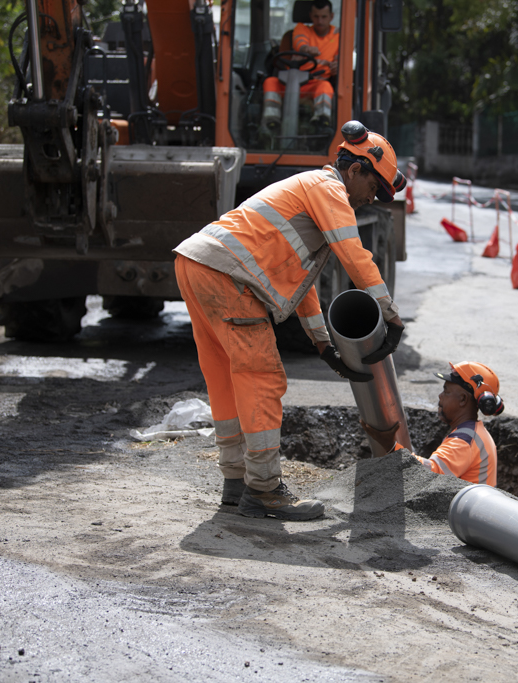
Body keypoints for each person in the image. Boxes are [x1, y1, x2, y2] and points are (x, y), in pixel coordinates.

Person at [173, 120, 407, 521]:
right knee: (263, 377)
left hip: (197, 264)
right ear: (354, 171)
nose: (373, 199)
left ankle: (235, 482)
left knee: (227, 376)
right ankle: (263, 490)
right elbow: (354, 254)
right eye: (374, 188)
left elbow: (302, 284)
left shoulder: (308, 192)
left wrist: (322, 343)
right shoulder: (329, 189)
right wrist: (391, 315)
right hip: (229, 278)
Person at [362, 362, 503, 486]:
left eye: (446, 391)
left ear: (463, 399)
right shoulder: (474, 433)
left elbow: (428, 476)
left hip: (465, 516)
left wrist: (390, 445)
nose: (440, 396)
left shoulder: (464, 440)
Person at [261, 0, 339, 130]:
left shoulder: (338, 36)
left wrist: (338, 66)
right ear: (310, 15)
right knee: (270, 82)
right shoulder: (301, 28)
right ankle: (271, 120)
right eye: (316, 16)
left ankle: (322, 120)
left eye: (324, 17)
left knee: (325, 87)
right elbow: (300, 42)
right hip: (289, 82)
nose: (319, 21)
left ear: (331, 16)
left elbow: (340, 58)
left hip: (315, 84)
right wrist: (306, 49)